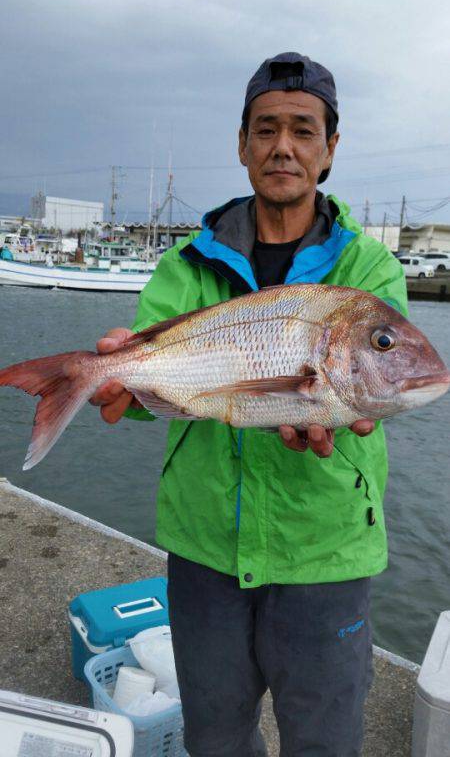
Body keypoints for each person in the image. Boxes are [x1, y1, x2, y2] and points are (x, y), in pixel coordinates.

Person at [90, 52, 407, 756]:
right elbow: (154, 395)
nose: (283, 147)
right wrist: (118, 383)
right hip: (204, 549)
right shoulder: (184, 267)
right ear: (242, 145)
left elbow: (369, 390)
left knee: (325, 742)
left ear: (329, 148)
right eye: (266, 129)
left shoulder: (370, 272)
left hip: (326, 551)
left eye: (303, 129)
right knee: (216, 738)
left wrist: (352, 400)